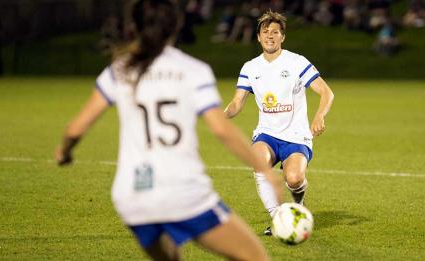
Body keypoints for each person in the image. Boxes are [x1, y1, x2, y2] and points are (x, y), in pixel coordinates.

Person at [55, 0, 282, 260]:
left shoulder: (119, 69)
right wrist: (266, 170)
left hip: (132, 198)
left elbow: (76, 129)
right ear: (177, 25)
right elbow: (222, 130)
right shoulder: (193, 70)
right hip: (183, 193)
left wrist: (64, 152)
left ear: (133, 27)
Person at [223, 11, 334, 236]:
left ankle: (298, 206)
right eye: (265, 32)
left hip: (296, 135)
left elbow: (326, 92)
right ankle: (278, 218)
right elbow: (237, 102)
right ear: (258, 37)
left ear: (282, 37)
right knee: (258, 160)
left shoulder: (296, 62)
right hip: (267, 134)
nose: (270, 36)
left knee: (294, 179)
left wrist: (319, 115)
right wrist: (219, 114)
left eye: (275, 32)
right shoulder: (250, 67)